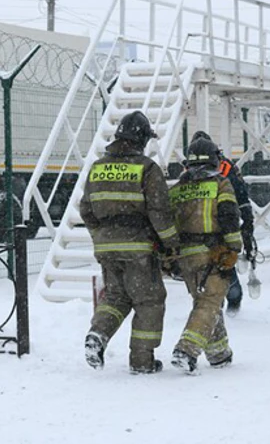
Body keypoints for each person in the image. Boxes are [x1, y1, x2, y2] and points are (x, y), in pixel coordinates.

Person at [79, 111, 179, 374]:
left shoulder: (98, 168)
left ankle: (97, 334)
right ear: (142, 139)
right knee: (149, 300)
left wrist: (101, 237)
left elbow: (86, 209)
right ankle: (142, 361)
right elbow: (160, 213)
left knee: (116, 296)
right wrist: (171, 244)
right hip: (138, 248)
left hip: (106, 247)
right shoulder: (147, 169)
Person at [168, 137, 242, 374]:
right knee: (209, 303)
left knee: (206, 303)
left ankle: (219, 354)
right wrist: (234, 248)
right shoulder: (220, 184)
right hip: (213, 253)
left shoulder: (176, 189)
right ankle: (186, 350)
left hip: (185, 257)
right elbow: (229, 216)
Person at [189, 130, 254, 316]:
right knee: (224, 264)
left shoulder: (191, 170)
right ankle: (228, 301)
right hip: (218, 224)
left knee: (214, 266)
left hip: (203, 226)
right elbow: (242, 196)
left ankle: (221, 303)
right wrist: (246, 224)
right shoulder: (226, 167)